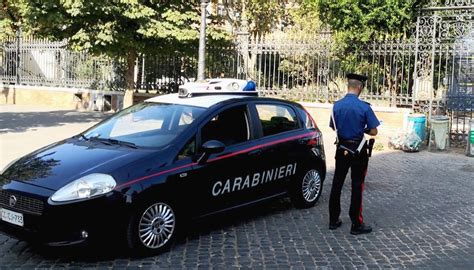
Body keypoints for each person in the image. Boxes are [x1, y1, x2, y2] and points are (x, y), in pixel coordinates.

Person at [328, 73, 380, 235]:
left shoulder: (336, 106)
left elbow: (333, 126)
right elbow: (374, 131)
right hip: (358, 151)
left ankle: (333, 220)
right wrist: (362, 129)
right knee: (357, 186)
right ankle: (356, 224)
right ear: (360, 87)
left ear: (348, 87)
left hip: (341, 149)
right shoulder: (364, 107)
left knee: (337, 183)